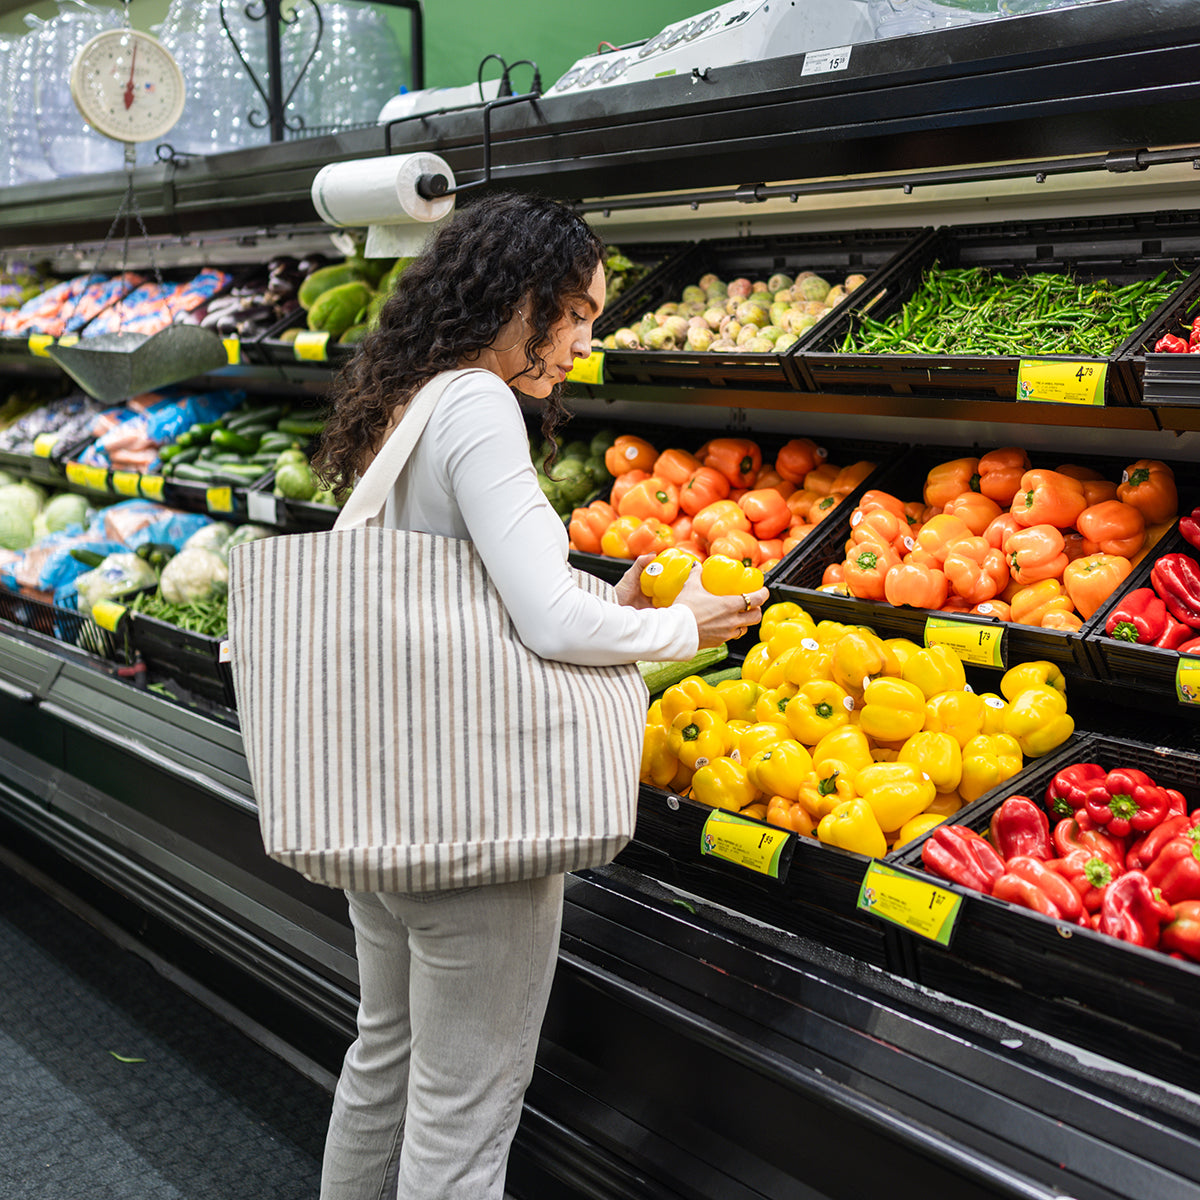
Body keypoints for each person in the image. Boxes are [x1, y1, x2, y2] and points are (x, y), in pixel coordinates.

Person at [310, 190, 766, 1200]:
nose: (583, 342)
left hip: (382, 798)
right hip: (470, 818)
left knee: (383, 1056)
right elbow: (547, 628)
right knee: (465, 1109)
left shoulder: (414, 396)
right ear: (525, 298)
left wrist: (615, 592)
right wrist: (679, 628)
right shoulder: (477, 404)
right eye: (580, 314)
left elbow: (479, 594)